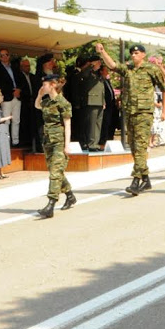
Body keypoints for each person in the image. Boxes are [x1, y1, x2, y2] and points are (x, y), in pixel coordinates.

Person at [96, 43, 165, 195]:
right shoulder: (127, 69)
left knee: (141, 146)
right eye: (132, 53)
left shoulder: (151, 69)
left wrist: (164, 110)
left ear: (143, 54)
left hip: (144, 112)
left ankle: (136, 180)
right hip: (130, 112)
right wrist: (103, 52)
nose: (133, 55)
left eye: (136, 53)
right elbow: (113, 65)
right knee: (134, 147)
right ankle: (146, 179)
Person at [35, 74, 75, 218]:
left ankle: (51, 204)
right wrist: (39, 95)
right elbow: (37, 105)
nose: (42, 87)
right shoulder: (47, 102)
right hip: (48, 141)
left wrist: (67, 145)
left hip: (59, 141)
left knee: (55, 173)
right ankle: (70, 195)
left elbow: (68, 124)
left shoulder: (62, 102)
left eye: (44, 84)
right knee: (56, 171)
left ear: (52, 85)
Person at [0, 48, 21, 146]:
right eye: (2, 55)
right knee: (6, 120)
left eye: (6, 55)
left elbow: (20, 80)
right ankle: (6, 142)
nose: (4, 57)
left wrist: (18, 90)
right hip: (6, 96)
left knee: (16, 120)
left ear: (9, 56)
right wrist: (12, 91)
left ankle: (15, 142)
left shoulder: (14, 67)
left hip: (17, 96)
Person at [80, 55, 105, 151]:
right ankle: (91, 144)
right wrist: (91, 66)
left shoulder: (97, 74)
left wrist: (103, 101)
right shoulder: (89, 72)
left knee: (98, 124)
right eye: (98, 62)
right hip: (92, 101)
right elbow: (83, 74)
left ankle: (95, 143)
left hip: (99, 102)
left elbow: (101, 89)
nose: (100, 64)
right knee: (92, 124)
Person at [17, 58, 40, 148]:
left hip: (33, 101)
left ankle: (31, 141)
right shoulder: (18, 76)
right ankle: (24, 141)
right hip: (23, 102)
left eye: (29, 66)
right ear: (21, 67)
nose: (28, 68)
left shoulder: (32, 76)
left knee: (32, 122)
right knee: (24, 122)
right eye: (26, 66)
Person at [99, 65, 119, 149]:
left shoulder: (107, 81)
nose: (107, 72)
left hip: (112, 106)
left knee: (111, 123)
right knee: (105, 124)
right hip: (105, 106)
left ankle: (110, 139)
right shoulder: (100, 81)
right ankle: (103, 141)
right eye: (105, 70)